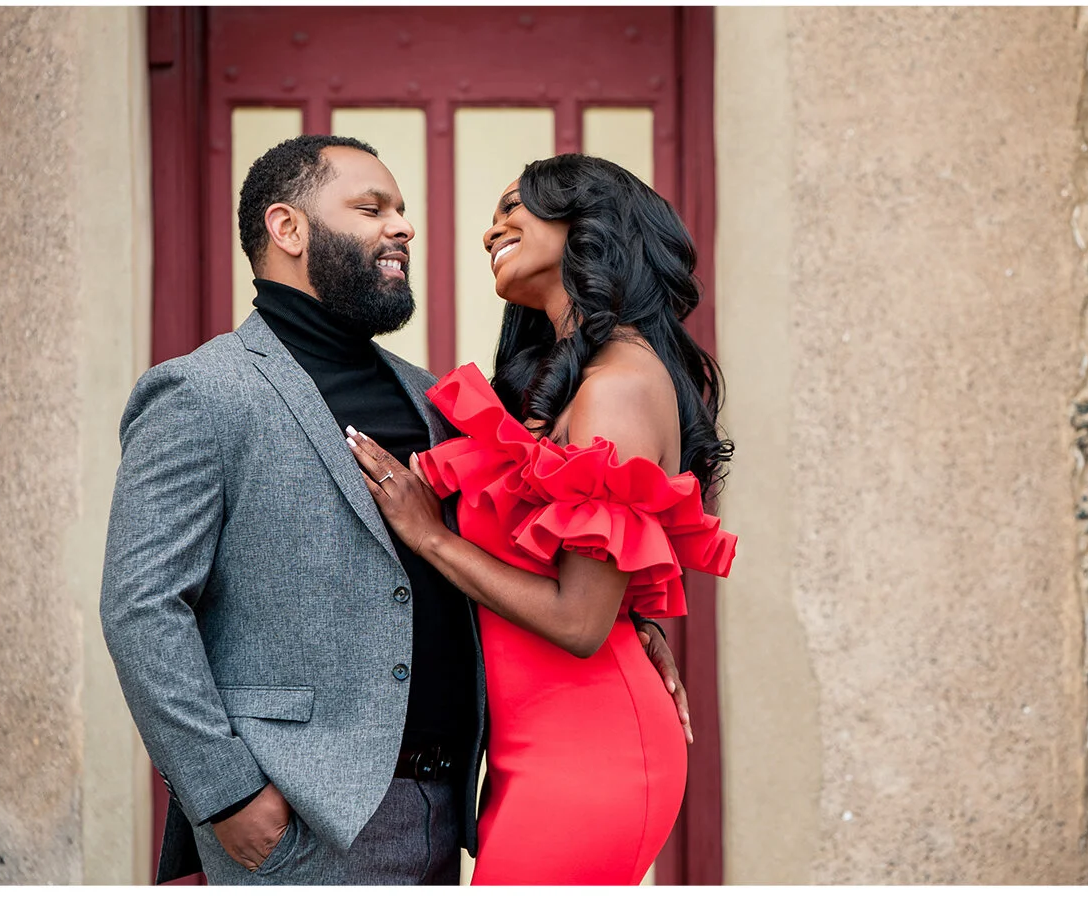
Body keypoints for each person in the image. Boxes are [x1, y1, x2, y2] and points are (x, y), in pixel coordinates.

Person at [99, 135, 689, 886]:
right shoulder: (201, 393)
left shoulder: (434, 400)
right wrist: (225, 792)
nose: (404, 227)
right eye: (372, 208)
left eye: (402, 210)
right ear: (288, 228)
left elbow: (540, 550)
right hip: (298, 822)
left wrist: (631, 624)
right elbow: (141, 607)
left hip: (448, 809)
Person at [345, 153, 736, 885]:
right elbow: (579, 575)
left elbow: (579, 622)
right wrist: (637, 623)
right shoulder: (575, 381)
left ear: (586, 222)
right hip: (536, 755)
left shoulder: (617, 386)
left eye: (513, 207)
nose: (491, 230)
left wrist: (429, 536)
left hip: (588, 757)